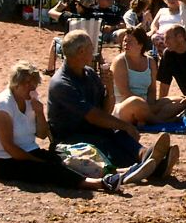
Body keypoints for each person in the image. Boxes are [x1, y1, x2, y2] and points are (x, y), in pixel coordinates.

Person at [0, 60, 141, 193]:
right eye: (27, 84)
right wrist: (36, 160)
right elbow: (9, 147)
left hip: (28, 150)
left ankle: (116, 172)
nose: (32, 87)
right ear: (16, 83)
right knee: (51, 170)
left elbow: (41, 134)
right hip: (3, 161)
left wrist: (39, 113)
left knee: (66, 159)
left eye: (34, 83)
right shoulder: (2, 107)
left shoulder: (29, 100)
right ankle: (99, 184)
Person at [48, 31, 174, 183]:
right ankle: (141, 168)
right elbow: (93, 116)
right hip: (72, 136)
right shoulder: (62, 83)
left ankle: (147, 156)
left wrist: (109, 91)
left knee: (118, 134)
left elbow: (105, 110)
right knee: (108, 144)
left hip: (94, 129)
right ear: (81, 51)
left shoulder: (89, 74)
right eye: (90, 47)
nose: (94, 51)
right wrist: (125, 125)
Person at [108, 28, 186, 126]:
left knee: (182, 100)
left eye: (130, 42)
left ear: (140, 45)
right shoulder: (120, 61)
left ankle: (147, 118)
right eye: (125, 41)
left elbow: (152, 90)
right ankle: (159, 121)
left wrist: (150, 105)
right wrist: (144, 105)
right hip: (125, 105)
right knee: (136, 102)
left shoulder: (150, 62)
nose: (125, 44)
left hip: (146, 104)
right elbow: (125, 93)